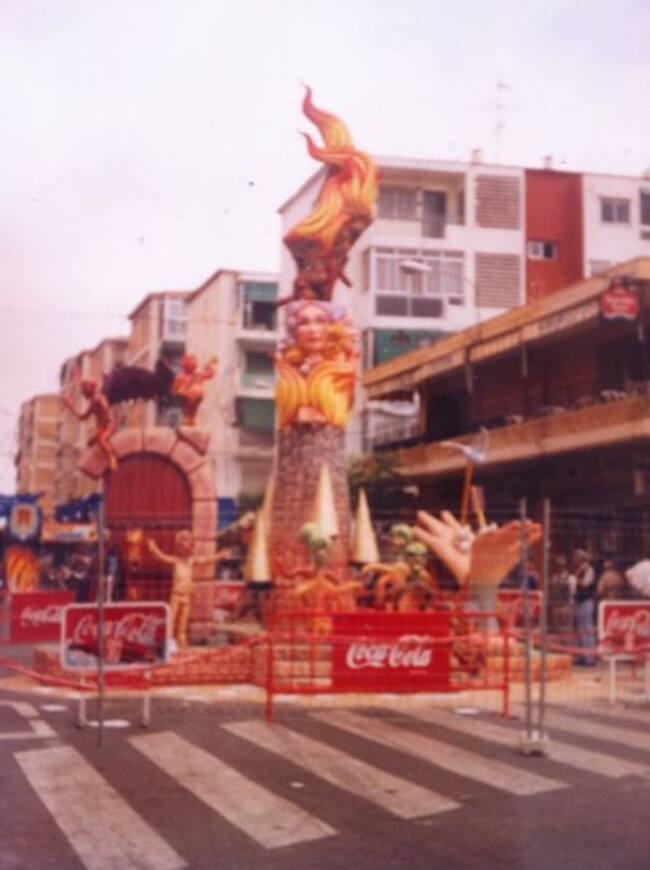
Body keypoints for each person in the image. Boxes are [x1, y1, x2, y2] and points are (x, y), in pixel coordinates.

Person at [146, 531, 229, 648]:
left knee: (183, 620)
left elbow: (205, 559)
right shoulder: (176, 561)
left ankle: (182, 639)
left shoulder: (190, 561)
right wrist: (154, 549)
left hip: (187, 595)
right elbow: (162, 557)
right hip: (176, 594)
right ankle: (169, 640)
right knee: (172, 618)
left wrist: (219, 556)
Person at [62, 379, 117, 470]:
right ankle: (102, 459)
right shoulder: (93, 402)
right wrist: (70, 406)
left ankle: (113, 457)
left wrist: (105, 410)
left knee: (102, 440)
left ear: (89, 389)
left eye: (83, 391)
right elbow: (83, 417)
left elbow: (105, 406)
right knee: (90, 442)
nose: (83, 394)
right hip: (101, 427)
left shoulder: (97, 399)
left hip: (109, 424)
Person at [172, 354, 218, 426]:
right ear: (184, 365)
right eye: (188, 365)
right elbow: (174, 388)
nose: (190, 367)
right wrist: (180, 392)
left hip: (196, 397)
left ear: (195, 365)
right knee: (186, 410)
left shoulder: (198, 375)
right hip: (184, 397)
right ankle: (186, 418)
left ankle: (192, 418)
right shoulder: (180, 377)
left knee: (193, 409)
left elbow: (210, 375)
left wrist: (210, 365)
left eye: (192, 364)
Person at [572, 548, 597, 666]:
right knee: (579, 629)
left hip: (586, 601)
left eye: (576, 557)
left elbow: (585, 584)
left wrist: (576, 578)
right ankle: (581, 656)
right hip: (578, 600)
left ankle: (590, 657)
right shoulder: (578, 570)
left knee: (587, 628)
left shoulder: (589, 570)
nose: (574, 559)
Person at [548, 554, 577, 638]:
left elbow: (572, 593)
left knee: (567, 629)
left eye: (561, 565)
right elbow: (552, 590)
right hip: (556, 606)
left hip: (566, 606)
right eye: (558, 565)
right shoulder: (554, 577)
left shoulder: (571, 578)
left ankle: (568, 647)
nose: (559, 567)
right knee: (557, 629)